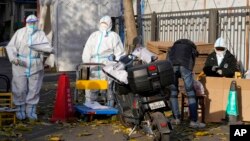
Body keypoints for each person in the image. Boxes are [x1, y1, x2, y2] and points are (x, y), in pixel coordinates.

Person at [6, 15, 54, 120]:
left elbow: (46, 48)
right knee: (19, 87)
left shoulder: (40, 34)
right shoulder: (19, 32)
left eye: (34, 23)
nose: (32, 25)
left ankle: (31, 110)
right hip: (21, 63)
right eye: (30, 23)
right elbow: (10, 47)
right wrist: (13, 58)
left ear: (36, 23)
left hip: (35, 63)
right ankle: (20, 109)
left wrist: (45, 56)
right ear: (26, 23)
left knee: (34, 88)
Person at [82, 15, 125, 107]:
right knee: (93, 87)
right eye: (102, 23)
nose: (103, 25)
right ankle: (91, 106)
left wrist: (115, 64)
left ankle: (108, 106)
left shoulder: (113, 36)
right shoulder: (94, 35)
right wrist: (87, 63)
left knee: (108, 87)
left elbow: (119, 53)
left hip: (107, 66)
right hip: (94, 66)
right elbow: (87, 51)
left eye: (105, 23)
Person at [167, 39, 206, 128]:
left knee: (173, 92)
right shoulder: (191, 48)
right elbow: (193, 60)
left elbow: (168, 57)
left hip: (172, 65)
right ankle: (194, 121)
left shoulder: (174, 47)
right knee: (190, 92)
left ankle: (176, 119)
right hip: (185, 65)